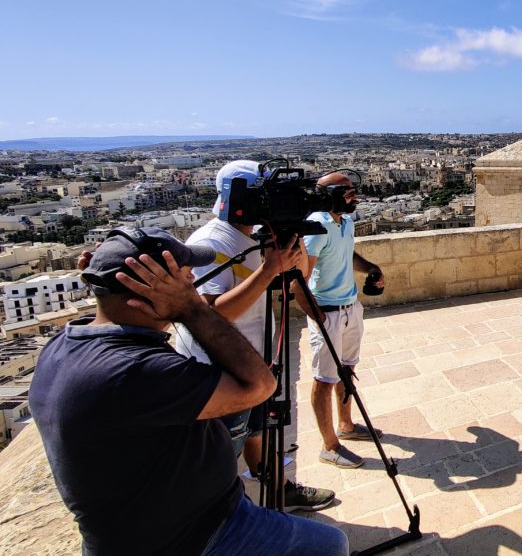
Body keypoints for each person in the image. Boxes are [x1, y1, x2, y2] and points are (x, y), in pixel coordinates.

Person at [29, 228, 349, 555]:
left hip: (184, 521)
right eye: (184, 278)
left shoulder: (65, 345)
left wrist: (106, 272)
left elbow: (115, 306)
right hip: (193, 537)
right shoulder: (132, 370)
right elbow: (260, 386)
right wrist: (190, 308)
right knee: (331, 545)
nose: (193, 281)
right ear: (147, 292)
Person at [174, 160, 334, 512]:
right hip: (219, 367)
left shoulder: (259, 235)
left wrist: (292, 242)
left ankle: (280, 489)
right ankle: (221, 515)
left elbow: (295, 280)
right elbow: (211, 315)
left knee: (259, 430)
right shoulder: (210, 242)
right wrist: (267, 270)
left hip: (254, 360)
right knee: (225, 445)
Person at [293, 172, 384, 468]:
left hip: (350, 307)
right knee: (324, 379)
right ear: (329, 195)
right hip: (329, 312)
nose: (354, 196)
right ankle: (329, 446)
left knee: (347, 369)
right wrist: (320, 318)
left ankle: (346, 425)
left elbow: (346, 253)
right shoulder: (316, 227)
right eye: (348, 192)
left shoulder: (345, 222)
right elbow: (299, 281)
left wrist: (370, 268)